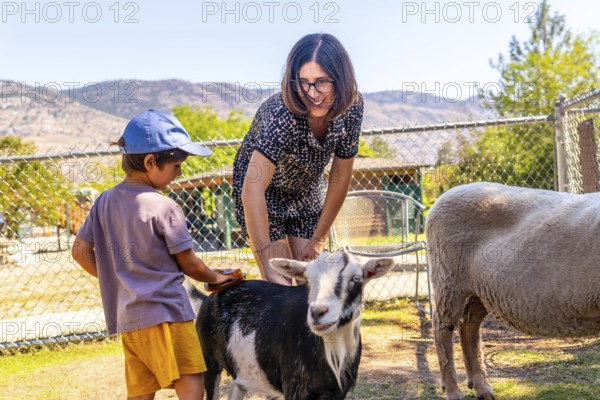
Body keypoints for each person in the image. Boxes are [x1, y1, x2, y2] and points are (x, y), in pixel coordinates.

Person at [71, 109, 231, 400]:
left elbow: (80, 251)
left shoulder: (104, 201)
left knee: (142, 390)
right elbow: (190, 264)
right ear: (149, 162)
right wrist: (217, 277)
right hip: (168, 314)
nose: (180, 172)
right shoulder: (164, 206)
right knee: (190, 381)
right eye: (177, 165)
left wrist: (118, 275)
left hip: (130, 320)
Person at [232, 33, 363, 285]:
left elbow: (341, 175)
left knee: (314, 281)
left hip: (306, 190)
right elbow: (253, 188)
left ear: (342, 80)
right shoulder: (281, 113)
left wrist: (318, 240)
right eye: (304, 82)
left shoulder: (353, 106)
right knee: (280, 285)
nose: (312, 94)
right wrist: (266, 262)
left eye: (323, 83)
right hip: (263, 193)